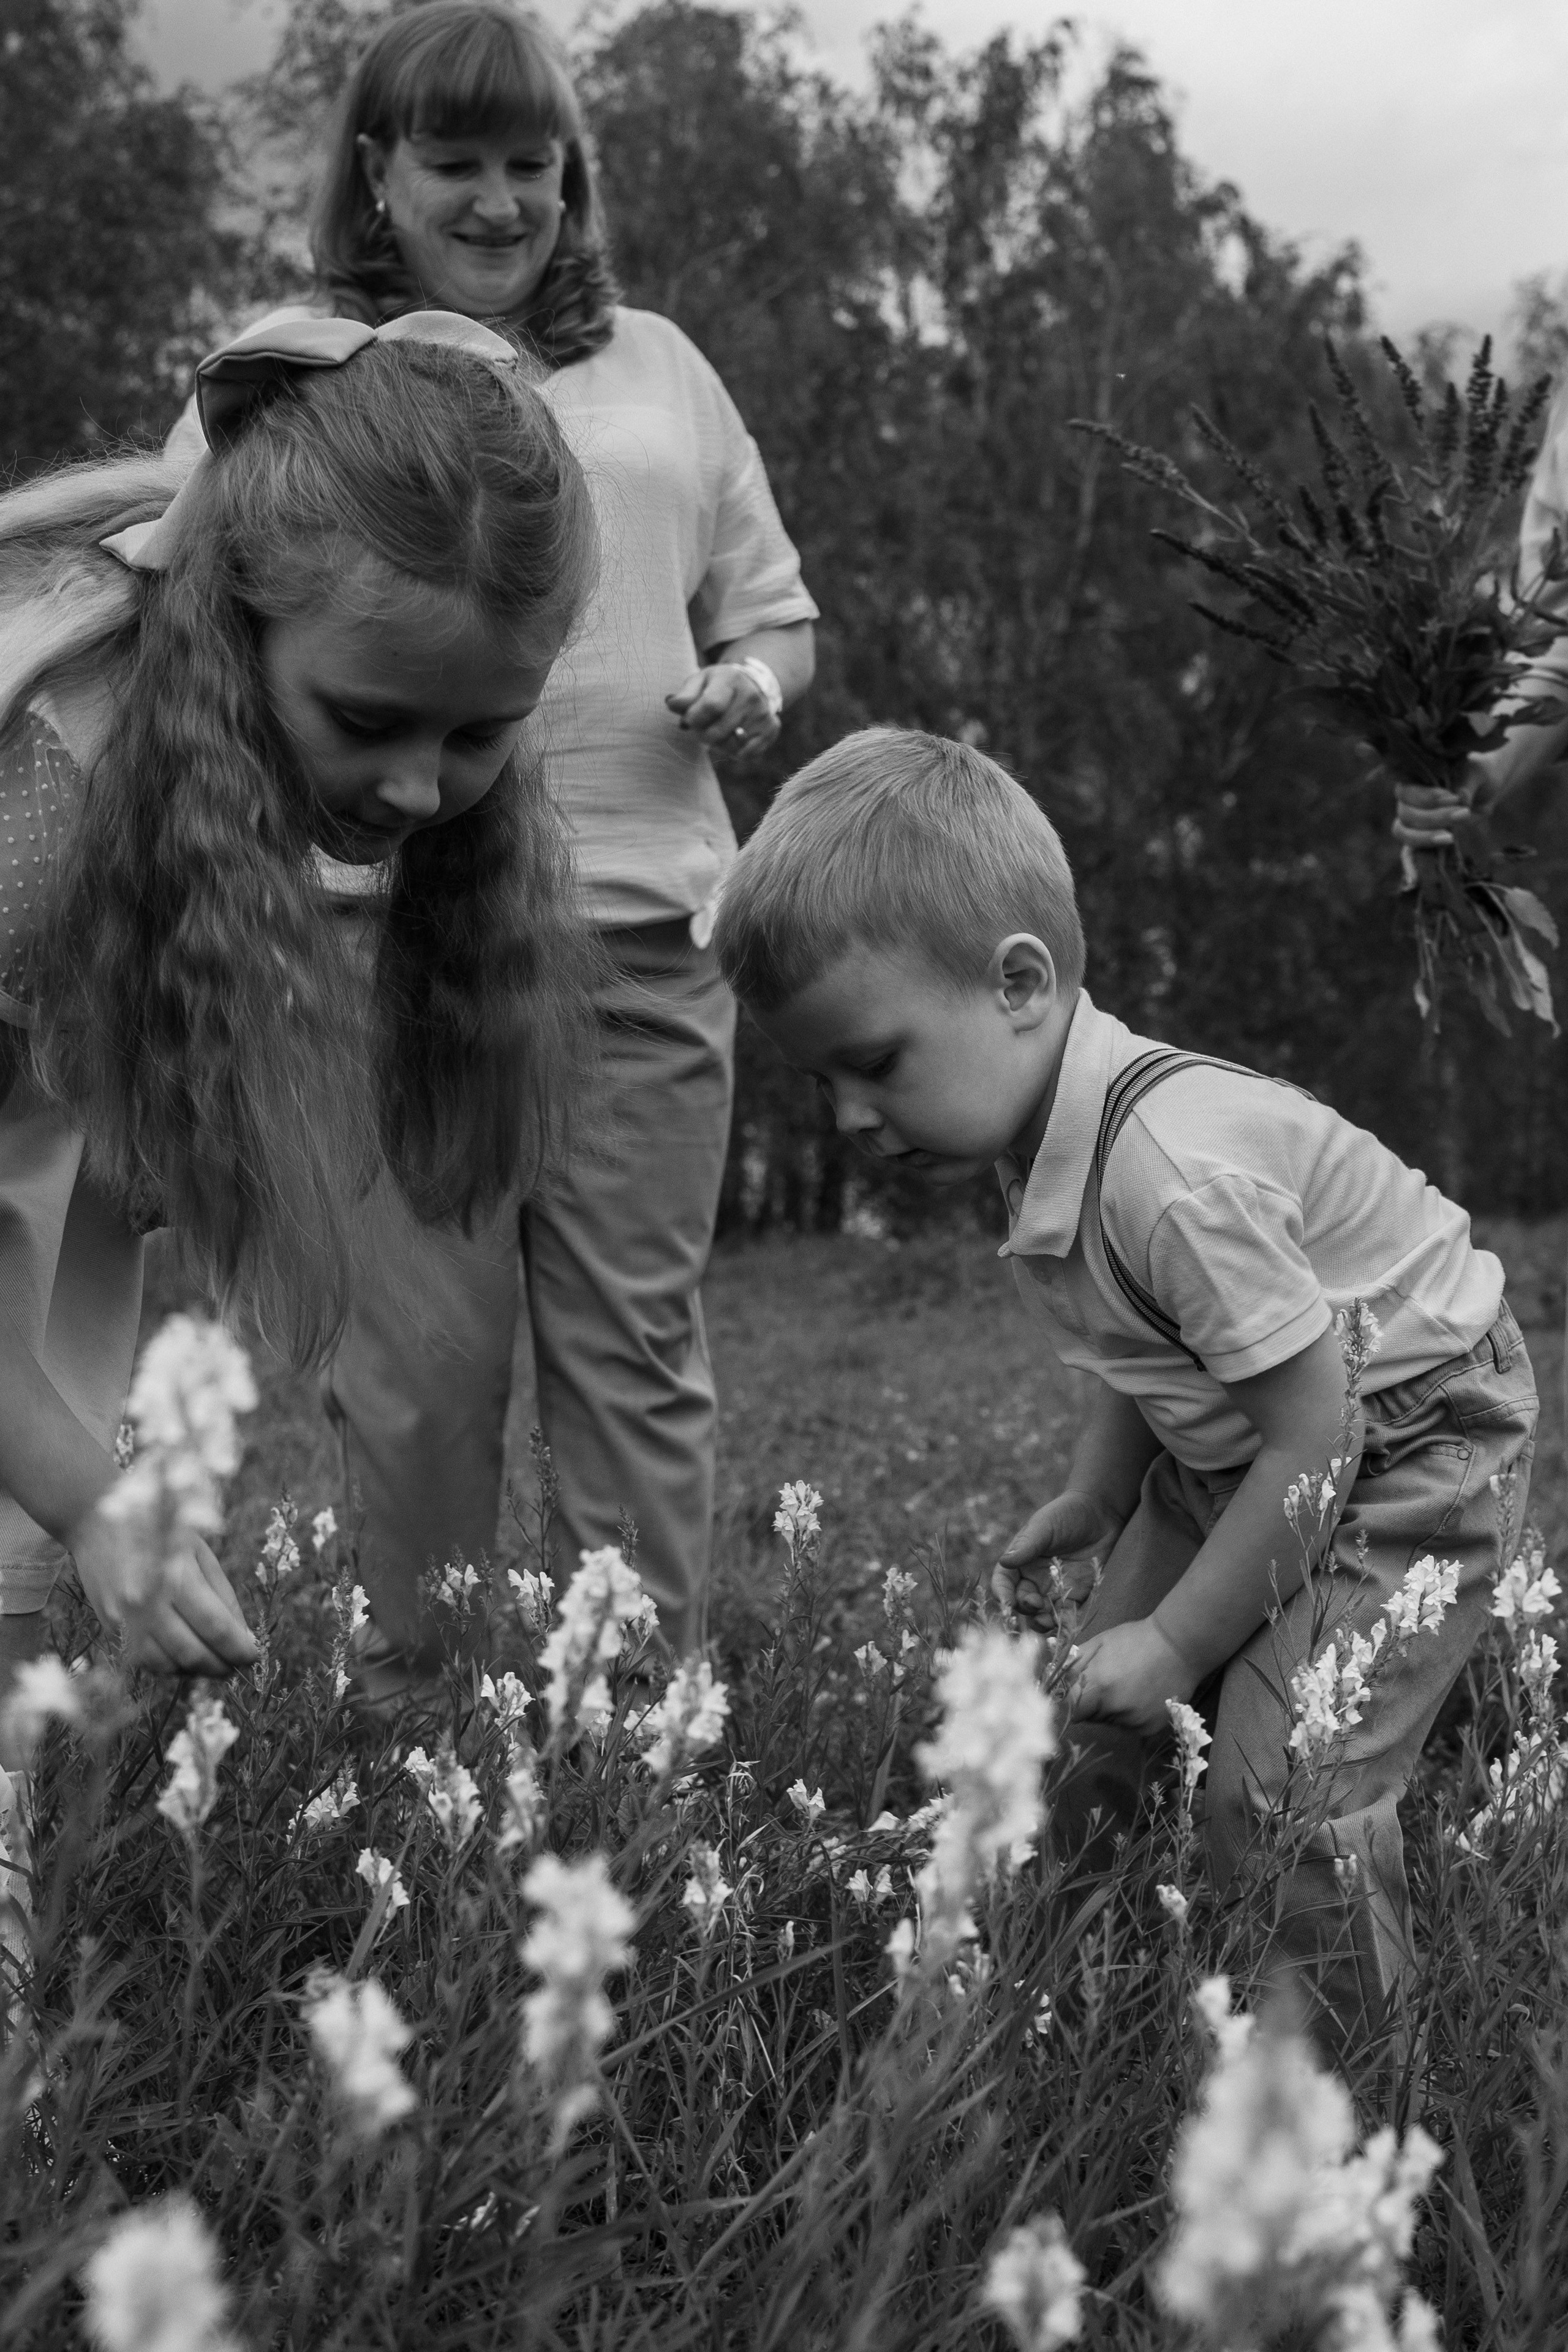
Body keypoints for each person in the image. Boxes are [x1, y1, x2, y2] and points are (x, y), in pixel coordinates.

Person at [166, 1, 818, 1674]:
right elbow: (178, 605)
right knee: (421, 1375)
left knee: (635, 1356)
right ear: (377, 171)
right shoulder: (293, 370)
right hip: (378, 933)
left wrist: (747, 681)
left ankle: (639, 1741)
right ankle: (425, 1738)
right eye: (457, 162)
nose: (501, 201)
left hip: (648, 937)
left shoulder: (662, 362)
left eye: (533, 164)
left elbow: (774, 614)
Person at [712, 727, 1537, 2029]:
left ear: (1019, 984)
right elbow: (1142, 1336)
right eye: (823, 1083)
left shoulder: (1170, 1174)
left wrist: (1174, 1639)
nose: (851, 1122)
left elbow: (1315, 1440)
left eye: (871, 1065)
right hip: (1256, 1438)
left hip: (1405, 1447)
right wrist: (1100, 1493)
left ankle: (1336, 2086)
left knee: (1278, 1782)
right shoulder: (1047, 1131)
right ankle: (1061, 1989)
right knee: (1086, 1716)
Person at [0, 305, 597, 1752]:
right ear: (234, 618)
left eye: (475, 737)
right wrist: (89, 1496)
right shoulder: (43, 802)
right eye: (371, 719)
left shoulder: (210, 736)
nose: (413, 790)